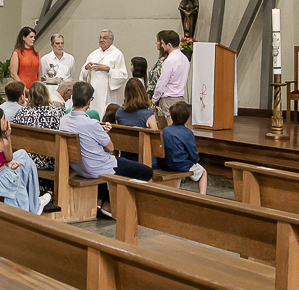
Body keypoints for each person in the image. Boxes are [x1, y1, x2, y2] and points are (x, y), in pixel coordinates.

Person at [59, 81, 152, 218]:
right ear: (89, 101)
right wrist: (101, 132)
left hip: (79, 166)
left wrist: (99, 131)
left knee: (110, 160)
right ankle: (115, 202)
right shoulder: (91, 123)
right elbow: (110, 147)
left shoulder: (64, 120)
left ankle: (100, 201)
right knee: (146, 171)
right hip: (96, 168)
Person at [0, 107, 51, 214]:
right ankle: (34, 204)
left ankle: (34, 201)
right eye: (3, 119)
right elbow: (9, 157)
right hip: (0, 180)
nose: (6, 121)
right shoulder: (1, 142)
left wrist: (6, 164)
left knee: (22, 154)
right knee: (25, 163)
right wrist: (8, 136)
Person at [12, 82, 61, 192]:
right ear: (47, 95)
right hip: (49, 160)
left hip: (26, 158)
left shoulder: (21, 112)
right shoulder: (57, 113)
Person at [159, 102, 206, 194]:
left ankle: (176, 192)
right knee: (203, 172)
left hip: (166, 164)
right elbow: (193, 153)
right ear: (187, 117)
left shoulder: (165, 130)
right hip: (181, 165)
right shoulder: (188, 133)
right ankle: (202, 197)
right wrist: (195, 160)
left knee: (178, 172)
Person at [79, 29, 128, 113]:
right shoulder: (93, 54)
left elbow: (123, 76)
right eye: (100, 38)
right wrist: (86, 68)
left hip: (109, 93)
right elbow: (83, 74)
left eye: (104, 38)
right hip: (94, 91)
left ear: (111, 40)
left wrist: (108, 70)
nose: (101, 40)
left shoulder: (117, 54)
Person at [151, 29, 190, 124]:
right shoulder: (184, 58)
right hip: (180, 97)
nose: (162, 45)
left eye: (163, 43)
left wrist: (155, 98)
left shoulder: (169, 61)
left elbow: (162, 82)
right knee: (179, 126)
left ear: (169, 45)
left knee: (170, 128)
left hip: (169, 99)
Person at [9, 27, 40, 91]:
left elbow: (39, 73)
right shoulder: (17, 53)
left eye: (34, 37)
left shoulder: (36, 53)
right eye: (31, 37)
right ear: (23, 38)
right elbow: (13, 74)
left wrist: (39, 88)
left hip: (34, 88)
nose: (33, 39)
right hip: (21, 88)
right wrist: (24, 89)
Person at [146, 35, 166, 99]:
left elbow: (156, 79)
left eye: (157, 41)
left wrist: (149, 93)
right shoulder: (161, 60)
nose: (155, 43)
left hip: (157, 96)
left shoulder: (163, 61)